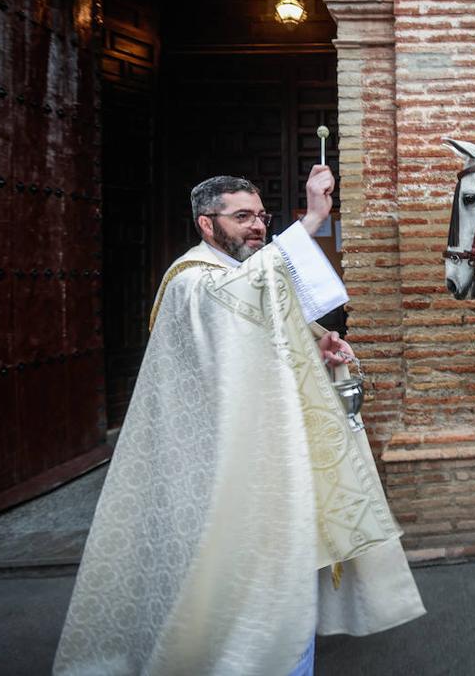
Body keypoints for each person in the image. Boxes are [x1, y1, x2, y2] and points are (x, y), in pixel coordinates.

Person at [54, 166, 424, 676]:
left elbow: (258, 340)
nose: (257, 226)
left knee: (282, 589)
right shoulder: (192, 280)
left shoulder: (234, 276)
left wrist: (315, 345)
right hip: (218, 468)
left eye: (262, 216)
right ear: (207, 225)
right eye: (243, 216)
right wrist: (314, 216)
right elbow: (240, 305)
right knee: (244, 592)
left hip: (260, 455)